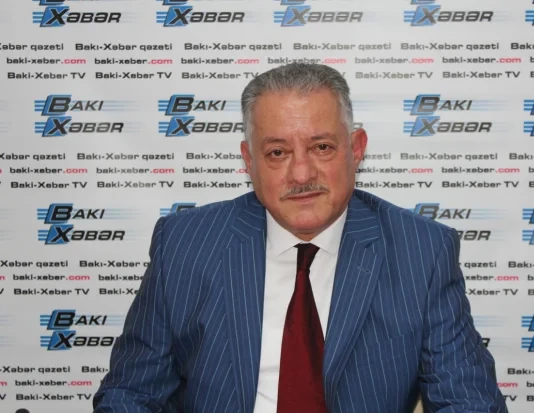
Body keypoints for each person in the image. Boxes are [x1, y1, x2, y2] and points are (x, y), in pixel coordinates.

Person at [93, 63, 507, 413]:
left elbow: (467, 400)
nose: (301, 173)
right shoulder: (184, 245)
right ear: (249, 160)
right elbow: (131, 394)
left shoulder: (423, 251)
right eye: (277, 152)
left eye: (322, 147)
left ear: (356, 148)